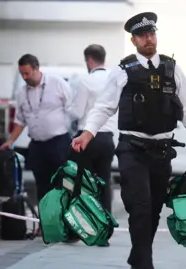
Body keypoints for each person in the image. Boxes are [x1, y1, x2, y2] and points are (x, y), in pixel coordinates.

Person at [71, 12, 186, 269]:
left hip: (162, 151)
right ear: (134, 40)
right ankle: (143, 264)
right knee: (140, 208)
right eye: (142, 35)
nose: (149, 39)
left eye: (152, 34)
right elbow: (104, 108)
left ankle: (138, 255)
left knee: (154, 209)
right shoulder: (122, 71)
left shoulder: (173, 69)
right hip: (132, 150)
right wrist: (87, 133)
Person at [1, 54, 75, 204]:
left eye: (27, 73)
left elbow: (73, 110)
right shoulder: (21, 93)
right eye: (22, 74)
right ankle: (45, 224)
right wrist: (10, 141)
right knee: (41, 186)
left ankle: (64, 222)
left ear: (36, 69)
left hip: (58, 143)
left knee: (62, 184)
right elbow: (20, 121)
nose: (24, 77)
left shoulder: (57, 83)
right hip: (37, 146)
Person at [68, 44, 116, 221]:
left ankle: (87, 224)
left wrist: (68, 107)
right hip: (107, 138)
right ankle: (105, 225)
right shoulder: (113, 80)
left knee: (85, 183)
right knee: (105, 182)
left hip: (86, 137)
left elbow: (77, 112)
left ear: (89, 60)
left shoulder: (85, 81)